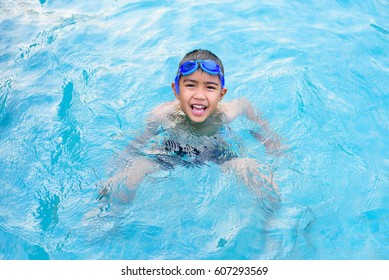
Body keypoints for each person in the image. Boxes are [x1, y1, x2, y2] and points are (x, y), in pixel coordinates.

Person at [97, 49, 284, 209]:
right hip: (171, 150)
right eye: (191, 85)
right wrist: (121, 160)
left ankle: (272, 226)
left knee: (260, 178)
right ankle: (106, 215)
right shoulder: (162, 114)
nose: (200, 95)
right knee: (131, 174)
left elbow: (246, 106)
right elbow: (140, 140)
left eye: (210, 87)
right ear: (176, 90)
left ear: (221, 94)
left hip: (218, 150)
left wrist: (271, 140)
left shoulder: (227, 112)